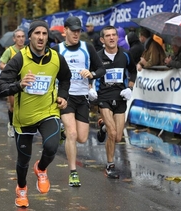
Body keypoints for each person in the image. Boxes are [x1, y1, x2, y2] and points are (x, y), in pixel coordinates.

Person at [0, 20, 71, 208]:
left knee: (52, 146)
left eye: (44, 34)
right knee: (23, 159)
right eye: (37, 33)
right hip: (24, 118)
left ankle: (42, 168)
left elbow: (66, 79)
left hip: (48, 112)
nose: (41, 37)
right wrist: (19, 85)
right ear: (30, 37)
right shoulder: (19, 59)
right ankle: (21, 188)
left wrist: (62, 96)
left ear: (48, 37)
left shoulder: (56, 58)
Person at [52, 16, 106, 187]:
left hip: (82, 97)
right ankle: (73, 172)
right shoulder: (56, 49)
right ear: (65, 30)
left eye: (78, 31)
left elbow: (101, 69)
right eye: (73, 30)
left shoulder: (87, 48)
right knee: (72, 134)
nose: (76, 34)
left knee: (82, 138)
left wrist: (92, 74)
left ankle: (63, 132)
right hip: (65, 97)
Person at [96, 26, 137, 178]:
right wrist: (90, 89)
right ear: (102, 40)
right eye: (108, 36)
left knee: (118, 137)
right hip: (104, 96)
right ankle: (110, 165)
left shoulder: (125, 55)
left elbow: (133, 71)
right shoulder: (97, 56)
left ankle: (103, 127)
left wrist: (130, 88)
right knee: (113, 133)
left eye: (114, 35)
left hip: (120, 97)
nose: (112, 38)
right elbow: (90, 74)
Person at [0, 29, 26, 138]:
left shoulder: (28, 50)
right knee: (13, 106)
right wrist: (11, 69)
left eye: (23, 36)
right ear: (14, 39)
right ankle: (11, 124)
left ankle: (22, 125)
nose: (21, 39)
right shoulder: (9, 51)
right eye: (18, 37)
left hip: (25, 82)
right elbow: (1, 65)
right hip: (12, 83)